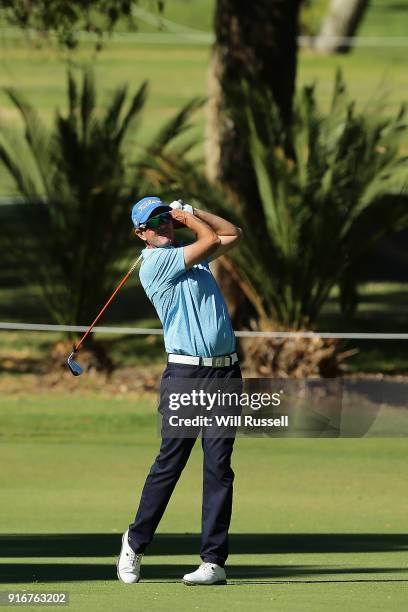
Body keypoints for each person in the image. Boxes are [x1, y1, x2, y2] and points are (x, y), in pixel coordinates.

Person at [117, 196, 242, 586]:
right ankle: (134, 543)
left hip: (225, 374)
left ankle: (213, 561)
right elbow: (207, 240)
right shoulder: (155, 263)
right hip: (186, 374)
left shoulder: (194, 258)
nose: (165, 226)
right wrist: (189, 218)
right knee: (171, 463)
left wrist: (195, 213)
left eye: (167, 219)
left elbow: (232, 233)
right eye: (157, 223)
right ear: (142, 234)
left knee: (219, 468)